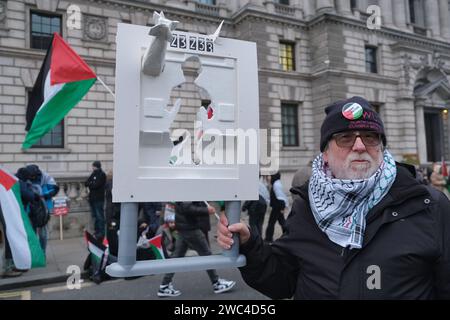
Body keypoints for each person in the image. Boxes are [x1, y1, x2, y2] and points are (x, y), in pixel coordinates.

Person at [217, 96, 450, 299]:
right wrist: (249, 244)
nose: (359, 146)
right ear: (325, 153)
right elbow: (282, 280)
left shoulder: (430, 205)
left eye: (370, 137)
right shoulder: (306, 206)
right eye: (345, 138)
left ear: (381, 148)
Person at [158, 201, 235, 297]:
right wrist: (206, 210)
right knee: (206, 254)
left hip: (184, 226)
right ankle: (216, 283)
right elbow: (187, 208)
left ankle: (164, 285)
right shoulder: (187, 190)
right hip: (190, 228)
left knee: (176, 257)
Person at [26, 164, 59, 253]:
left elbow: (55, 189)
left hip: (43, 209)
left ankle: (42, 252)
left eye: (33, 176)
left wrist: (44, 195)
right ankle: (34, 252)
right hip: (30, 209)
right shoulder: (26, 177)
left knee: (43, 233)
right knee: (31, 233)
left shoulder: (45, 177)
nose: (32, 178)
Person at [264, 171, 289, 243]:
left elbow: (280, 197)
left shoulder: (276, 184)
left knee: (271, 223)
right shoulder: (276, 183)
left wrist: (282, 207)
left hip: (277, 207)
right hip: (278, 206)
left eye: (270, 176)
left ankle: (268, 238)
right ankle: (287, 234)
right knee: (282, 222)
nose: (269, 177)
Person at [85, 161, 107, 241]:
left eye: (93, 166)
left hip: (99, 198)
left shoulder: (102, 174)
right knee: (94, 216)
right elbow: (86, 183)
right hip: (92, 198)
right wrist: (91, 183)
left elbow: (96, 185)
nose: (92, 167)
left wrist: (91, 183)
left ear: (96, 166)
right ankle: (97, 231)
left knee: (99, 216)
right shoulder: (93, 174)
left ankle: (101, 232)